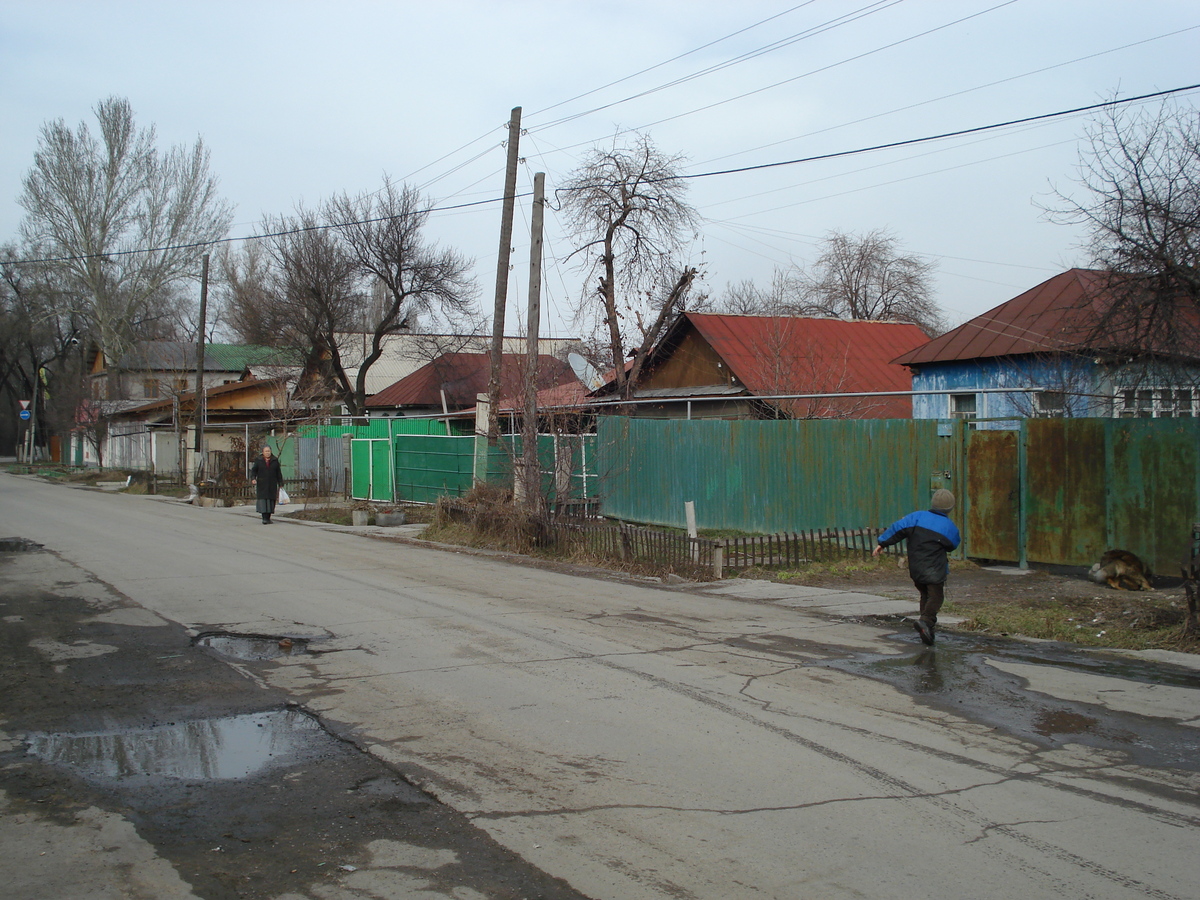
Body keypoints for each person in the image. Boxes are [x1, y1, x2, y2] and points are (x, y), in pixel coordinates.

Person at [872, 488, 961, 645]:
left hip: (916, 568)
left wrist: (882, 543)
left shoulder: (916, 517)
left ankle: (927, 630)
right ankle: (926, 622)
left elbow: (897, 528)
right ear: (950, 508)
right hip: (934, 569)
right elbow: (952, 544)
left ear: (933, 503)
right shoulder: (949, 526)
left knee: (925, 595)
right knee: (936, 596)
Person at [249, 445, 283, 525]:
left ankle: (268, 517)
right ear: (263, 452)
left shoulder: (275, 460)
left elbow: (278, 473)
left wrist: (280, 483)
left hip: (272, 484)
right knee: (263, 501)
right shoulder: (259, 460)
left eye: (269, 451)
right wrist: (253, 478)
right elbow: (254, 471)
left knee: (271, 501)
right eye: (266, 451)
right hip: (262, 484)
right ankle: (264, 518)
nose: (268, 453)